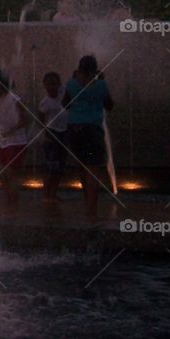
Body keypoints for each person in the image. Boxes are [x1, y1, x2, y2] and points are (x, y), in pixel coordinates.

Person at [63, 54, 113, 221]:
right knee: (93, 170)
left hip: (74, 130)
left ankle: (87, 204)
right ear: (95, 69)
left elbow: (65, 104)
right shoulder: (101, 85)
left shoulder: (71, 84)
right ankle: (92, 211)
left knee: (82, 168)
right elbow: (109, 105)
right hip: (92, 131)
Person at [0, 69, 28, 210]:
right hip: (4, 143)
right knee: (4, 177)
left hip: (16, 142)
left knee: (10, 175)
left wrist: (11, 130)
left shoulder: (13, 99)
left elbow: (25, 119)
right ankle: (9, 202)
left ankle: (13, 204)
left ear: (0, 85)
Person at [38, 71, 68, 202]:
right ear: (44, 85)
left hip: (64, 133)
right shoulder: (44, 103)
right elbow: (41, 121)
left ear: (59, 84)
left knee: (59, 167)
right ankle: (46, 194)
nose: (52, 87)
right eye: (49, 84)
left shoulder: (63, 93)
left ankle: (53, 193)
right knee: (50, 166)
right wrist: (45, 136)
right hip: (51, 134)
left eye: (54, 84)